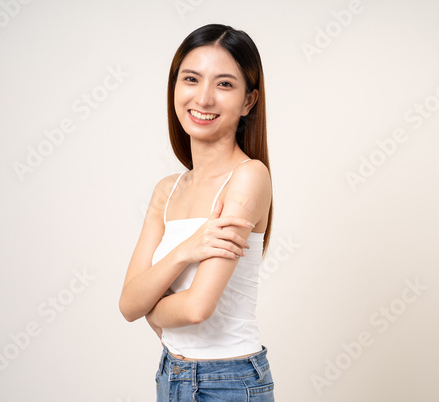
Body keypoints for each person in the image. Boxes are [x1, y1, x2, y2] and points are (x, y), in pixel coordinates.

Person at [119, 23, 275, 401]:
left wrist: (151, 309)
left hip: (229, 381)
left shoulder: (249, 177)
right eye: (191, 79)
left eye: (224, 84)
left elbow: (196, 308)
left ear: (249, 101)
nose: (203, 99)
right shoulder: (167, 190)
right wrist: (188, 249)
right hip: (171, 372)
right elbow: (127, 303)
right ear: (175, 87)